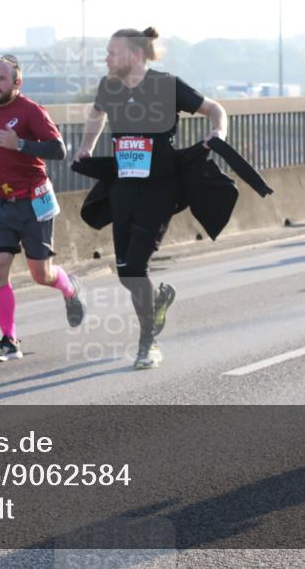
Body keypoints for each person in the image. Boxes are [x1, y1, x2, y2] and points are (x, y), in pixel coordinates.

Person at [72, 28, 227, 369]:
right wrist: (87, 146)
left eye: (113, 52)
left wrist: (219, 133)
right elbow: (96, 115)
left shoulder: (166, 86)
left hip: (161, 188)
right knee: (126, 272)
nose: (107, 58)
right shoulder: (108, 87)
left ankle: (148, 343)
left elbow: (215, 109)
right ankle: (156, 301)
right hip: (124, 187)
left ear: (136, 55)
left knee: (137, 265)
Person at [0, 55, 87, 362]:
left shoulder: (31, 111)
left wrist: (21, 144)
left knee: (41, 274)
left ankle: (70, 288)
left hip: (34, 201)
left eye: (1, 79)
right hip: (0, 203)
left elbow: (58, 149)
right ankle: (9, 340)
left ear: (17, 83)